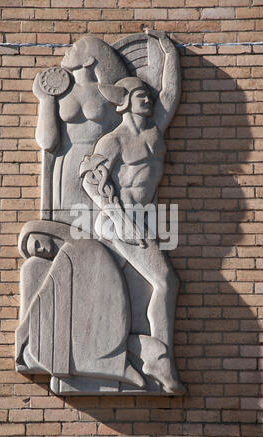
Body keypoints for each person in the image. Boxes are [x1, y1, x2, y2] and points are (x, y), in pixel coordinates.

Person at [80, 72, 185, 394]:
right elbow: (91, 180)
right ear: (123, 102)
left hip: (144, 220)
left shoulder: (155, 132)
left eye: (149, 96)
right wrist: (120, 218)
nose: (149, 99)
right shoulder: (113, 140)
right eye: (141, 95)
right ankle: (159, 359)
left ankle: (133, 352)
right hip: (119, 221)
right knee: (166, 281)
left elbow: (170, 94)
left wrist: (168, 54)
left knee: (114, 294)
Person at [33, 36, 128, 223]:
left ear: (88, 60)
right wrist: (45, 99)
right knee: (69, 221)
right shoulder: (58, 96)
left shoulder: (111, 92)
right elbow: (47, 142)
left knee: (102, 222)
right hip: (67, 163)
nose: (68, 50)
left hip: (103, 163)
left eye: (76, 48)